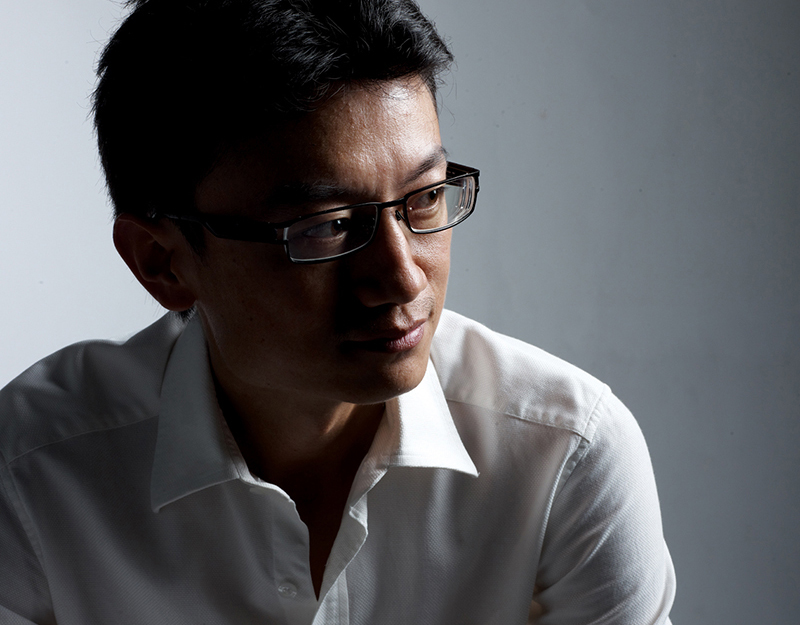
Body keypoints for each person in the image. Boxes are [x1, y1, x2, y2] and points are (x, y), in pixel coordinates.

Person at [0, 0, 675, 623]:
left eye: (425, 197)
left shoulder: (564, 456)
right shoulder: (31, 474)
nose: (402, 277)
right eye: (325, 225)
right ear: (161, 262)